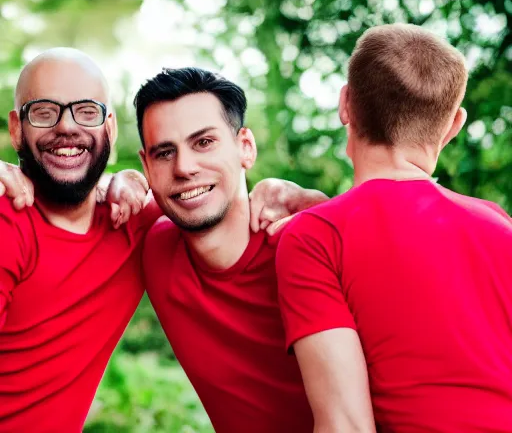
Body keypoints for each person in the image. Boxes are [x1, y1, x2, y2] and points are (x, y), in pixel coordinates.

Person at [0, 51, 322, 431]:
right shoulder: (14, 222)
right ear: (18, 129)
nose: (184, 167)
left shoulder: (139, 223)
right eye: (44, 111)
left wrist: (323, 207)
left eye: (85, 111)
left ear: (110, 129)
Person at [276, 24, 512, 432]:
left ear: (345, 104)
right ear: (454, 124)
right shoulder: (499, 225)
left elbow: (344, 425)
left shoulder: (316, 237)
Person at [134, 67, 376, 433]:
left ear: (245, 147)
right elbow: (80, 194)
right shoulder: (152, 245)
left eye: (204, 143)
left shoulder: (310, 249)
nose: (184, 168)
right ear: (147, 167)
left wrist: (322, 207)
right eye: (165, 153)